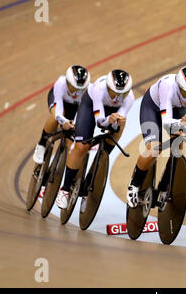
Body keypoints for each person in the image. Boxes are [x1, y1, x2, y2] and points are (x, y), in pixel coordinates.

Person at [126, 66, 186, 208]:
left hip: (176, 109)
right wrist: (183, 123)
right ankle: (134, 184)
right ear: (179, 86)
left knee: (178, 147)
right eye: (185, 93)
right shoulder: (167, 86)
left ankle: (164, 186)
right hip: (152, 107)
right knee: (154, 149)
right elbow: (167, 123)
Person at [55, 69, 135, 209]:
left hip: (111, 113)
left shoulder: (129, 98)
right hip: (91, 105)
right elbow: (99, 122)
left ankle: (88, 186)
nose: (117, 97)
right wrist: (109, 121)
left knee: (109, 146)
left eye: (122, 94)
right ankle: (65, 189)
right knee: (81, 147)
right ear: (108, 88)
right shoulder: (99, 89)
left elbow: (119, 120)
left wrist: (115, 123)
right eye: (114, 93)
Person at [33, 65, 91, 164]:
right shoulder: (60, 83)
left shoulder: (90, 91)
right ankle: (42, 144)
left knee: (72, 144)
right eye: (73, 88)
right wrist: (64, 121)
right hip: (59, 102)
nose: (76, 93)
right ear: (67, 83)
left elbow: (82, 113)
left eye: (81, 89)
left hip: (75, 108)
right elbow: (59, 112)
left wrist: (74, 125)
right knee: (55, 117)